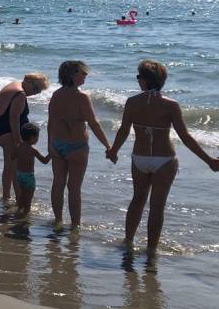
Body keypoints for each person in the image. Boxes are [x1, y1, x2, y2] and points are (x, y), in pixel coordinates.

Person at [107, 60, 219, 270]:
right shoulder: (170, 105)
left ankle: (128, 242)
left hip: (139, 158)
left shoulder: (132, 102)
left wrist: (114, 150)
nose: (138, 81)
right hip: (164, 160)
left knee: (137, 201)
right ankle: (151, 251)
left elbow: (123, 130)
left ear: (144, 80)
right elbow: (185, 137)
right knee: (157, 207)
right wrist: (209, 160)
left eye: (139, 77)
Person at [47, 60, 111, 230]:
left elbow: (51, 122)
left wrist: (50, 145)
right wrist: (108, 145)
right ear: (72, 75)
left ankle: (58, 220)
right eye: (82, 73)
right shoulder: (82, 97)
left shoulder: (56, 95)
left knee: (58, 183)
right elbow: (94, 123)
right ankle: (75, 225)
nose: (85, 75)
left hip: (57, 143)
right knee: (74, 188)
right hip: (77, 146)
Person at [0, 72, 49, 202]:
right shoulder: (20, 94)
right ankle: (13, 198)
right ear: (27, 81)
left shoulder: (12, 85)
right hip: (10, 133)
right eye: (36, 89)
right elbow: (14, 118)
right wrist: (18, 142)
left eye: (39, 91)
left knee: (10, 166)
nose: (36, 93)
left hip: (1, 130)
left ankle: (9, 196)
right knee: (13, 167)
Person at [13, 122, 51, 217]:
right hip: (29, 177)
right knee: (29, 198)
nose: (37, 139)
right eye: (37, 137)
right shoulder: (32, 150)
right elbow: (44, 161)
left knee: (22, 195)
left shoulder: (19, 147)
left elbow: (12, 157)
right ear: (32, 138)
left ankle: (19, 210)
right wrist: (52, 153)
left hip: (19, 175)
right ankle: (25, 216)